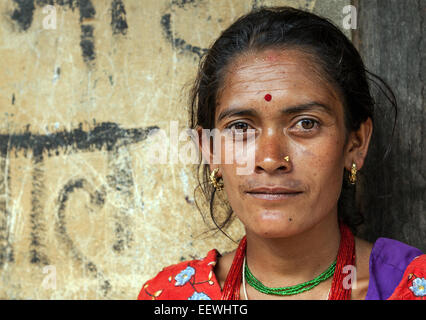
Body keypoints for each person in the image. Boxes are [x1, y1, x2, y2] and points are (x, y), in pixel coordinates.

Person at [137, 6, 425, 300]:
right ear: (210, 149)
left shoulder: (410, 289)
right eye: (240, 127)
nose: (271, 159)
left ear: (355, 144)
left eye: (305, 123)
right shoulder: (171, 297)